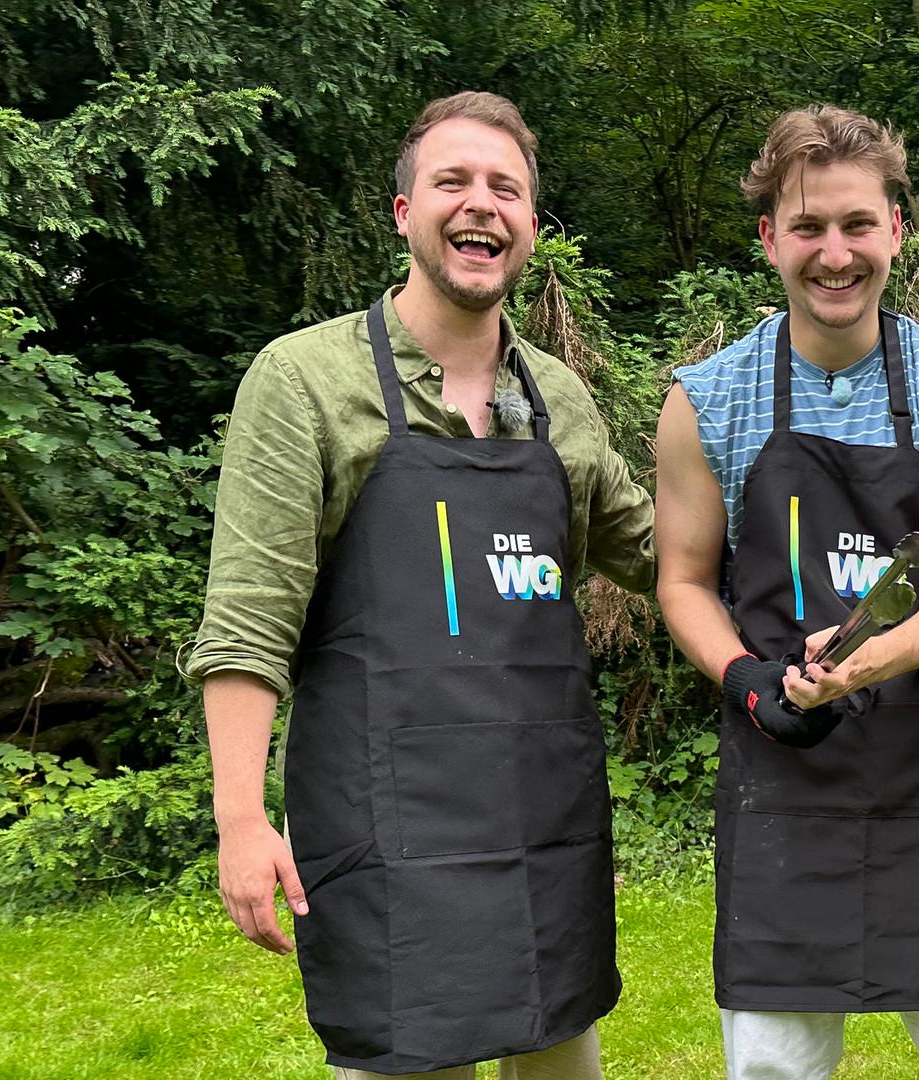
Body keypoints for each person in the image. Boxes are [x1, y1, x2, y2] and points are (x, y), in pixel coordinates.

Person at [188, 91, 654, 1080]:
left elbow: (661, 554)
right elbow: (248, 617)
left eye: (506, 188)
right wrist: (240, 816)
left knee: (565, 1055)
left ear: (530, 224)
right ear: (404, 212)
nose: (480, 205)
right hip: (386, 827)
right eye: (453, 181)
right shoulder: (305, 380)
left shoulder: (556, 399)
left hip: (544, 822)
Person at [654, 104, 919, 1080]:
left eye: (859, 224)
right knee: (774, 1064)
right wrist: (750, 683)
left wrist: (863, 658)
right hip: (783, 783)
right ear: (770, 237)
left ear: (895, 231)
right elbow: (684, 581)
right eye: (810, 226)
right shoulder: (708, 401)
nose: (836, 252)